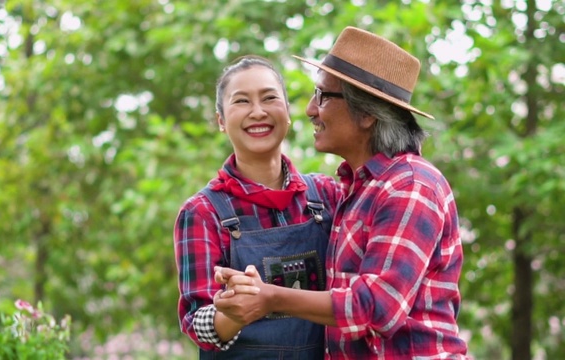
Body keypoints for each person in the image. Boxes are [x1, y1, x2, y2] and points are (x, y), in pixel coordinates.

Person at [214, 27, 470, 359]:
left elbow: (377, 305)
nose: (309, 109)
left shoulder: (410, 186)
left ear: (365, 113)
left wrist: (272, 297)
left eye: (322, 96)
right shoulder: (353, 191)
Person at [173, 55, 345, 359]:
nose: (258, 112)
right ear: (221, 121)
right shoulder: (202, 212)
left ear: (288, 112)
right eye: (241, 101)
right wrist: (235, 312)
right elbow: (195, 322)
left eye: (269, 98)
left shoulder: (329, 194)